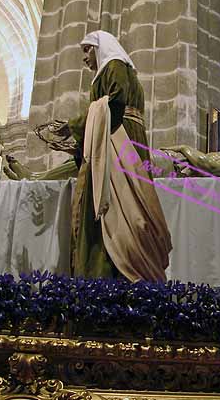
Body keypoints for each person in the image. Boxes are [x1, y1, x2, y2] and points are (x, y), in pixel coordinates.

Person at [63, 30, 171, 282]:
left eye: (87, 49)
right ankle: (112, 265)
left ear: (100, 48)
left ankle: (120, 268)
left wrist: (75, 124)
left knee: (125, 205)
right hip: (114, 137)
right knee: (117, 209)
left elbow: (115, 103)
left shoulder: (114, 65)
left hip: (120, 138)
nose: (84, 57)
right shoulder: (109, 70)